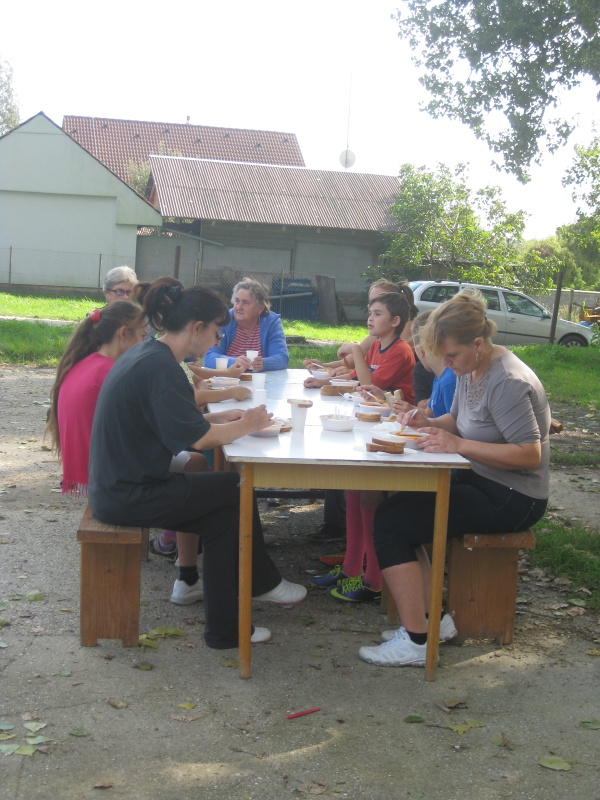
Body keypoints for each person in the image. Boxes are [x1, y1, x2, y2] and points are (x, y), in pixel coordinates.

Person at [88, 277, 306, 649]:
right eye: (217, 332)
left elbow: (178, 423)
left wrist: (222, 418)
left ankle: (226, 630)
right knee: (234, 487)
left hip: (116, 486)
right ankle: (261, 584)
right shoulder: (162, 367)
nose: (217, 340)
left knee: (223, 516)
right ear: (197, 327)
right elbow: (200, 440)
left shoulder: (151, 354)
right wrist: (249, 423)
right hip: (128, 494)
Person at [358, 289, 550, 667]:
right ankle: (434, 622)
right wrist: (425, 420)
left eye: (451, 356)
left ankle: (417, 642)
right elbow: (457, 421)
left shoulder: (507, 380)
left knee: (393, 524)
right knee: (397, 513)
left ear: (478, 343)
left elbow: (530, 454)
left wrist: (458, 444)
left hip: (514, 496)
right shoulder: (470, 366)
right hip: (482, 478)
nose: (446, 364)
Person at [307, 292, 416, 602]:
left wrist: (356, 350)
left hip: (398, 434)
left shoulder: (400, 350)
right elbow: (356, 378)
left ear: (395, 321)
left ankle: (373, 580)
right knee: (353, 484)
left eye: (378, 313)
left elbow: (371, 386)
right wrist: (326, 378)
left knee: (366, 488)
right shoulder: (378, 347)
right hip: (373, 425)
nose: (370, 318)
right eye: (370, 311)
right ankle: (352, 567)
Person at [47, 302, 148, 496]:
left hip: (89, 468)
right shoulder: (112, 372)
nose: (145, 344)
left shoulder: (82, 363)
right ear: (123, 334)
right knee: (196, 462)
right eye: (143, 336)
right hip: (108, 473)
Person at [203, 277, 289, 372]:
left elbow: (282, 358)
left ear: (260, 308)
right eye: (237, 301)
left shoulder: (271, 322)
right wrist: (234, 362)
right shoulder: (224, 320)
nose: (239, 307)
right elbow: (209, 357)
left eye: (245, 303)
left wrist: (264, 363)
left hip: (262, 379)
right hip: (228, 378)